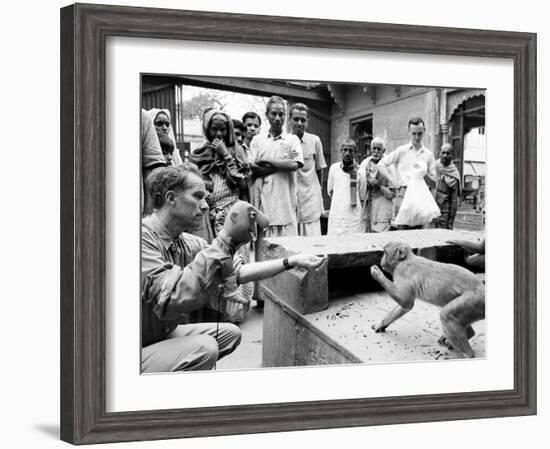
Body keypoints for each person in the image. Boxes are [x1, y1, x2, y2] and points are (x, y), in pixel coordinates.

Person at [141, 164, 324, 372]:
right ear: (171, 198)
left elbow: (239, 273)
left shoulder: (187, 243)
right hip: (134, 351)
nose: (205, 206)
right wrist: (225, 240)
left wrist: (291, 261)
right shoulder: (140, 239)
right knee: (205, 348)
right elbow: (172, 298)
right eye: (198, 196)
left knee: (229, 333)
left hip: (162, 335)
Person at [189, 110, 252, 320]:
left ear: (229, 130)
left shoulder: (237, 152)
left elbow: (243, 182)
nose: (218, 133)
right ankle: (218, 314)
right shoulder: (200, 154)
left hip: (234, 214)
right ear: (207, 129)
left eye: (222, 129)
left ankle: (236, 313)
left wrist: (226, 155)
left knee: (237, 261)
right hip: (210, 216)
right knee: (215, 263)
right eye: (214, 128)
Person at [249, 96, 304, 237]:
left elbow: (294, 165)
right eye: (274, 114)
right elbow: (252, 168)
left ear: (285, 116)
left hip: (286, 207)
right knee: (264, 254)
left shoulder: (292, 140)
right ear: (267, 115)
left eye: (281, 114)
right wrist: (281, 165)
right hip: (264, 206)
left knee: (290, 253)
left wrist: (265, 159)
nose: (278, 118)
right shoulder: (258, 140)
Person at [376, 116, 437, 229]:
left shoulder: (428, 154)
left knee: (420, 236)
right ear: (408, 132)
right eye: (414, 133)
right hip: (404, 193)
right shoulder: (402, 151)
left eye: (420, 133)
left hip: (421, 196)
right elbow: (381, 165)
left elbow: (434, 184)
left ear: (424, 131)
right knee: (402, 235)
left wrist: (424, 174)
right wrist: (394, 181)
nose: (417, 137)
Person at [290, 103, 327, 236]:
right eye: (296, 119)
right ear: (290, 120)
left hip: (310, 198)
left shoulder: (315, 140)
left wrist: (318, 192)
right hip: (292, 198)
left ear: (307, 122)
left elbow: (319, 169)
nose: (299, 123)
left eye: (303, 120)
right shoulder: (285, 141)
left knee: (312, 238)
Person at [327, 139, 366, 236]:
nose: (347, 153)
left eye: (351, 150)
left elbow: (362, 195)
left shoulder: (360, 171)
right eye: (345, 150)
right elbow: (330, 190)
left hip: (353, 217)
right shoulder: (334, 168)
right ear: (341, 151)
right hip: (337, 214)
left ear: (355, 152)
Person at [359, 137, 395, 232]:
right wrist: (367, 182)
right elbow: (359, 187)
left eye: (379, 149)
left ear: (383, 150)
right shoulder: (364, 164)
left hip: (382, 212)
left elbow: (393, 193)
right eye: (374, 148)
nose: (376, 151)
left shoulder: (389, 166)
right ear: (371, 149)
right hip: (367, 211)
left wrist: (379, 187)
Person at [141, 108, 166, 216]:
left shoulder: (142, 117)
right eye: (159, 124)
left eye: (167, 124)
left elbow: (150, 170)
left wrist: (148, 213)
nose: (164, 128)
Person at [432, 143, 461, 229]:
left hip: (444, 213)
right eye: (443, 152)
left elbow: (454, 201)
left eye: (448, 153)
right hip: (430, 210)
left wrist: (451, 220)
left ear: (452, 155)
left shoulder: (454, 174)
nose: (445, 155)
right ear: (439, 153)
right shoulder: (433, 167)